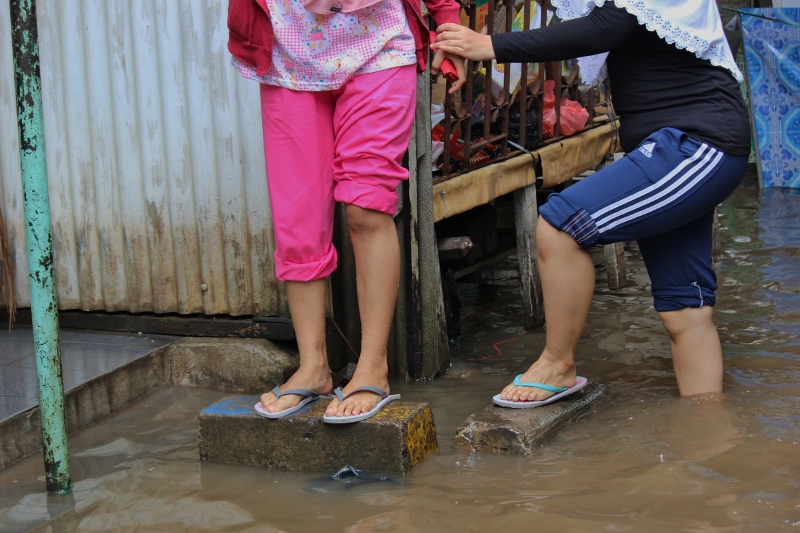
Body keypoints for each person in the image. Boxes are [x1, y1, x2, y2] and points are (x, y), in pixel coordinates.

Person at [432, 0, 750, 406]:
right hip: (675, 147)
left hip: (695, 144)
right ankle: (707, 427)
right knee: (685, 311)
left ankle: (557, 363)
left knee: (561, 225)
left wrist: (489, 45)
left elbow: (605, 28)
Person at [226, 0, 466, 422]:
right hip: (289, 51)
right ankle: (313, 367)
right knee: (297, 221)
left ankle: (373, 368)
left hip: (379, 43)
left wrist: (446, 19)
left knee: (366, 205)